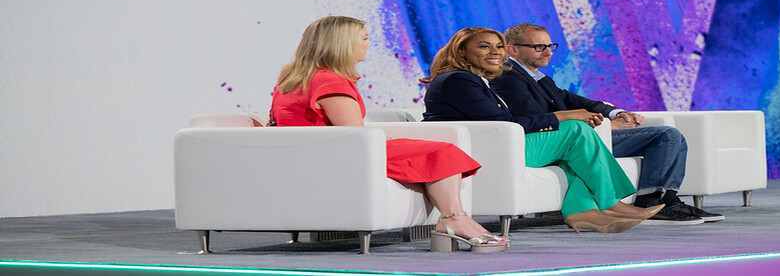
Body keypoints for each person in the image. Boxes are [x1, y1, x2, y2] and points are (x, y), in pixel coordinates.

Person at [268, 16, 509, 253]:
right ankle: (454, 219)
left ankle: (455, 218)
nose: (368, 44)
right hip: (338, 155)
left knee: (430, 149)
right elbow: (355, 137)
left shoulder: (294, 76)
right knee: (443, 151)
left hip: (313, 152)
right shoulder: (330, 83)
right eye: (364, 38)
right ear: (342, 43)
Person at [420, 26, 664, 234]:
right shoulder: (459, 80)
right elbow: (506, 123)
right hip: (483, 153)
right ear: (461, 51)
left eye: (499, 46)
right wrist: (566, 115)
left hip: (495, 146)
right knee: (575, 131)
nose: (495, 52)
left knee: (577, 147)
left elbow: (505, 121)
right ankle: (610, 201)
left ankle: (584, 212)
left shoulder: (472, 78)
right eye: (485, 46)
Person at [490, 23, 725, 224]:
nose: (548, 52)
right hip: (558, 141)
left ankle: (665, 199)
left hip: (576, 135)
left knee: (672, 136)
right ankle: (652, 200)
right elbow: (538, 118)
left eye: (550, 46)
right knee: (665, 136)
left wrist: (616, 112)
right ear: (513, 49)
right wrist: (605, 127)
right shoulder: (508, 77)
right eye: (539, 47)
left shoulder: (538, 77)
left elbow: (575, 100)